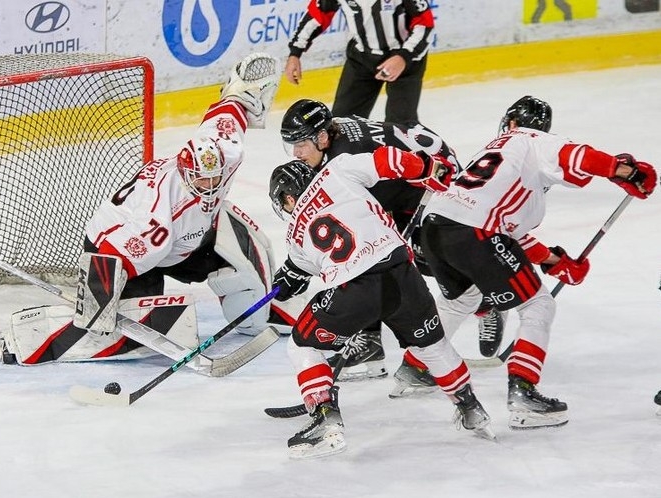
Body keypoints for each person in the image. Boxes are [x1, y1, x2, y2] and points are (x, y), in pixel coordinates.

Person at [0, 54, 300, 365]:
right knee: (132, 331)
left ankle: (257, 314)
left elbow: (229, 109)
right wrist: (98, 302)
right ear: (184, 174)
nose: (209, 186)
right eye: (201, 180)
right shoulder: (157, 218)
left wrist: (241, 93)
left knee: (250, 249)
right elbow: (111, 256)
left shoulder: (226, 150)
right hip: (118, 249)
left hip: (191, 238)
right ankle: (24, 340)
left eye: (214, 178)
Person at [398, 95, 657, 429]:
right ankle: (523, 391)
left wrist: (552, 261)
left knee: (462, 298)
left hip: (435, 228)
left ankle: (416, 366)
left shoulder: (498, 150)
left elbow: (507, 231)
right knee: (538, 306)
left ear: (509, 122)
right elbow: (577, 156)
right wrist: (627, 171)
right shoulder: (534, 140)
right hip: (474, 233)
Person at [268, 152, 494, 459]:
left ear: (288, 197)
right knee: (433, 346)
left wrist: (283, 283)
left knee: (302, 345)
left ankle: (324, 418)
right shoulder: (337, 169)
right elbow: (388, 158)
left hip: (354, 290)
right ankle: (471, 408)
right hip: (404, 275)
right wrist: (428, 168)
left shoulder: (294, 233)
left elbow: (298, 274)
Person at [279, 98, 508, 381]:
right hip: (399, 186)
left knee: (419, 258)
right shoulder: (334, 139)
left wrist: (433, 168)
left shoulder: (343, 156)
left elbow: (398, 153)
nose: (295, 152)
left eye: (301, 144)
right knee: (373, 258)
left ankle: (485, 301)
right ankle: (372, 341)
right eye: (292, 144)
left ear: (323, 137)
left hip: (430, 188)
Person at [285, 0, 434, 124]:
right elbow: (317, 15)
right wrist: (295, 53)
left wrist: (403, 57)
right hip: (362, 59)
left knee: (401, 127)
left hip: (405, 61)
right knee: (342, 125)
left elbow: (424, 23)